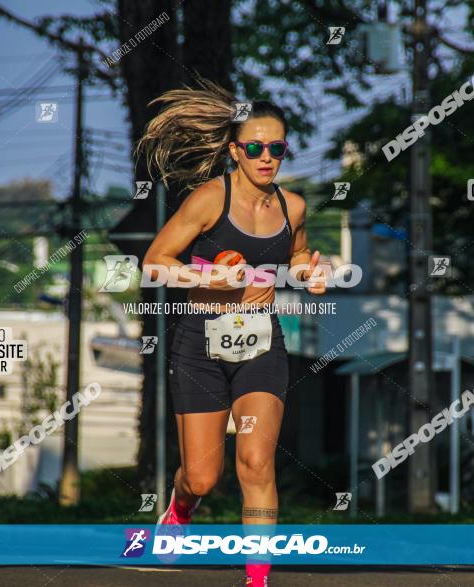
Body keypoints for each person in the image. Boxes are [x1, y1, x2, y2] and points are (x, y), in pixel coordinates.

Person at [138, 80, 327, 587]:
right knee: (202, 476)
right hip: (201, 343)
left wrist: (312, 272)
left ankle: (258, 578)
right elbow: (154, 264)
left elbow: (297, 258)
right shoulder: (208, 199)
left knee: (256, 460)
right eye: (256, 148)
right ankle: (179, 510)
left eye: (278, 149)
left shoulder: (293, 206)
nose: (267, 158)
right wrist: (205, 277)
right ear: (234, 150)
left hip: (262, 344)